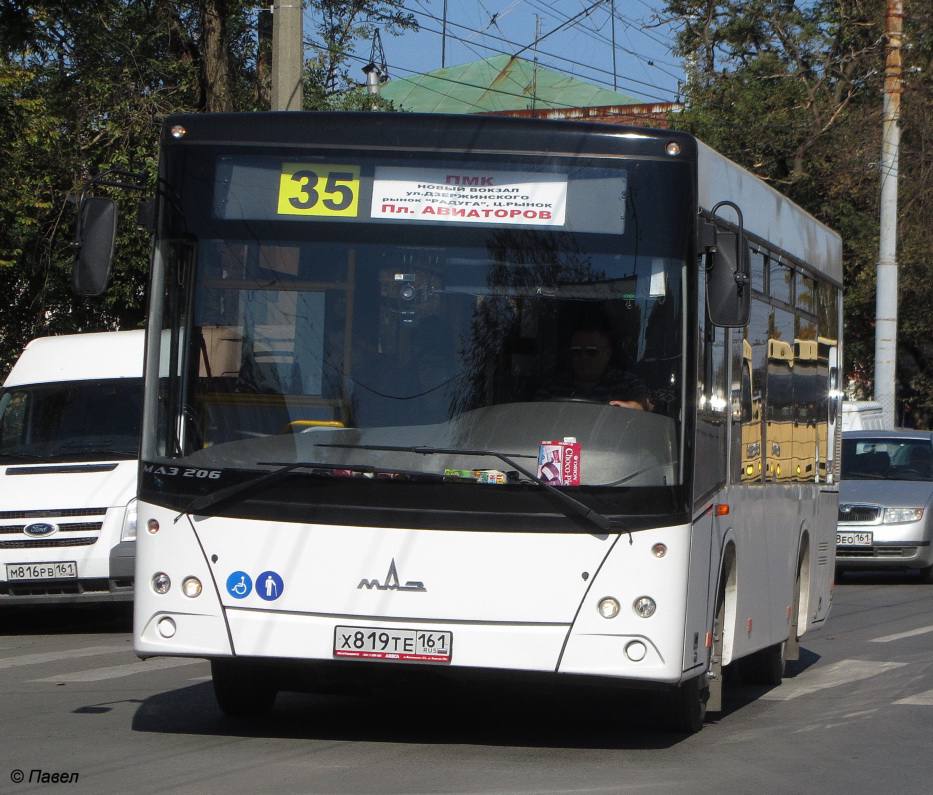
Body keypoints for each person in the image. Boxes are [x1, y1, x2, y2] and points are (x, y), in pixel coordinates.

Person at [539, 319, 649, 410]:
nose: (583, 357)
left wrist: (635, 406)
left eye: (591, 352)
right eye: (576, 351)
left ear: (608, 354)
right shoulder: (553, 386)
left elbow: (645, 406)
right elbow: (537, 412)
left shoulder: (628, 384)